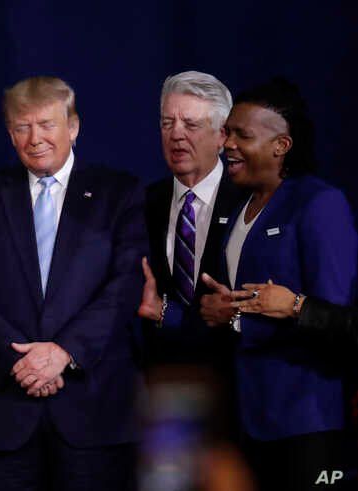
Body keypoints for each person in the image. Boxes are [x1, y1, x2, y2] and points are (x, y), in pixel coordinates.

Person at [0, 76, 147, 490]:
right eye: (22, 127)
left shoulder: (120, 194)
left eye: (46, 124)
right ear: (9, 134)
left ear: (72, 127)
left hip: (92, 409)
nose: (35, 138)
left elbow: (125, 285)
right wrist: (20, 360)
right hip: (3, 408)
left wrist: (64, 352)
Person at [199, 78, 358, 490]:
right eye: (226, 132)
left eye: (242, 135)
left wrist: (296, 306)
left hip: (308, 420)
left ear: (281, 146)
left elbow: (341, 319)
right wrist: (214, 312)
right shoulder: (238, 211)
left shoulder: (319, 203)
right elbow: (241, 307)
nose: (227, 144)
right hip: (248, 418)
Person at [138, 71, 244, 377]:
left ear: (222, 136)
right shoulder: (143, 203)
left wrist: (167, 314)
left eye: (191, 124)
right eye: (167, 123)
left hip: (233, 384)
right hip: (161, 381)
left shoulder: (248, 203)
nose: (176, 134)